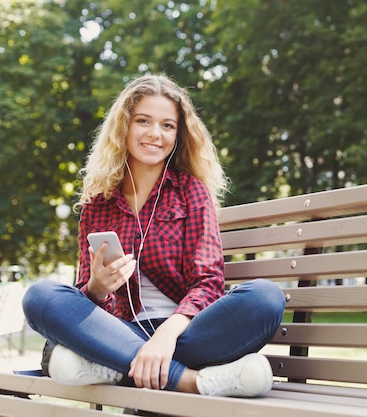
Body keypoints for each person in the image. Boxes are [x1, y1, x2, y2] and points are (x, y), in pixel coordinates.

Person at [22, 74, 286, 397]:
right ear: (124, 127)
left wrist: (164, 336)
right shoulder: (97, 204)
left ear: (178, 135)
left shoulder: (191, 192)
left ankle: (115, 368)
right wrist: (96, 287)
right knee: (40, 297)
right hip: (120, 331)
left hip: (187, 333)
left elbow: (208, 283)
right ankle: (191, 381)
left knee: (266, 299)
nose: (154, 134)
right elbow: (84, 304)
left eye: (167, 126)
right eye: (143, 121)